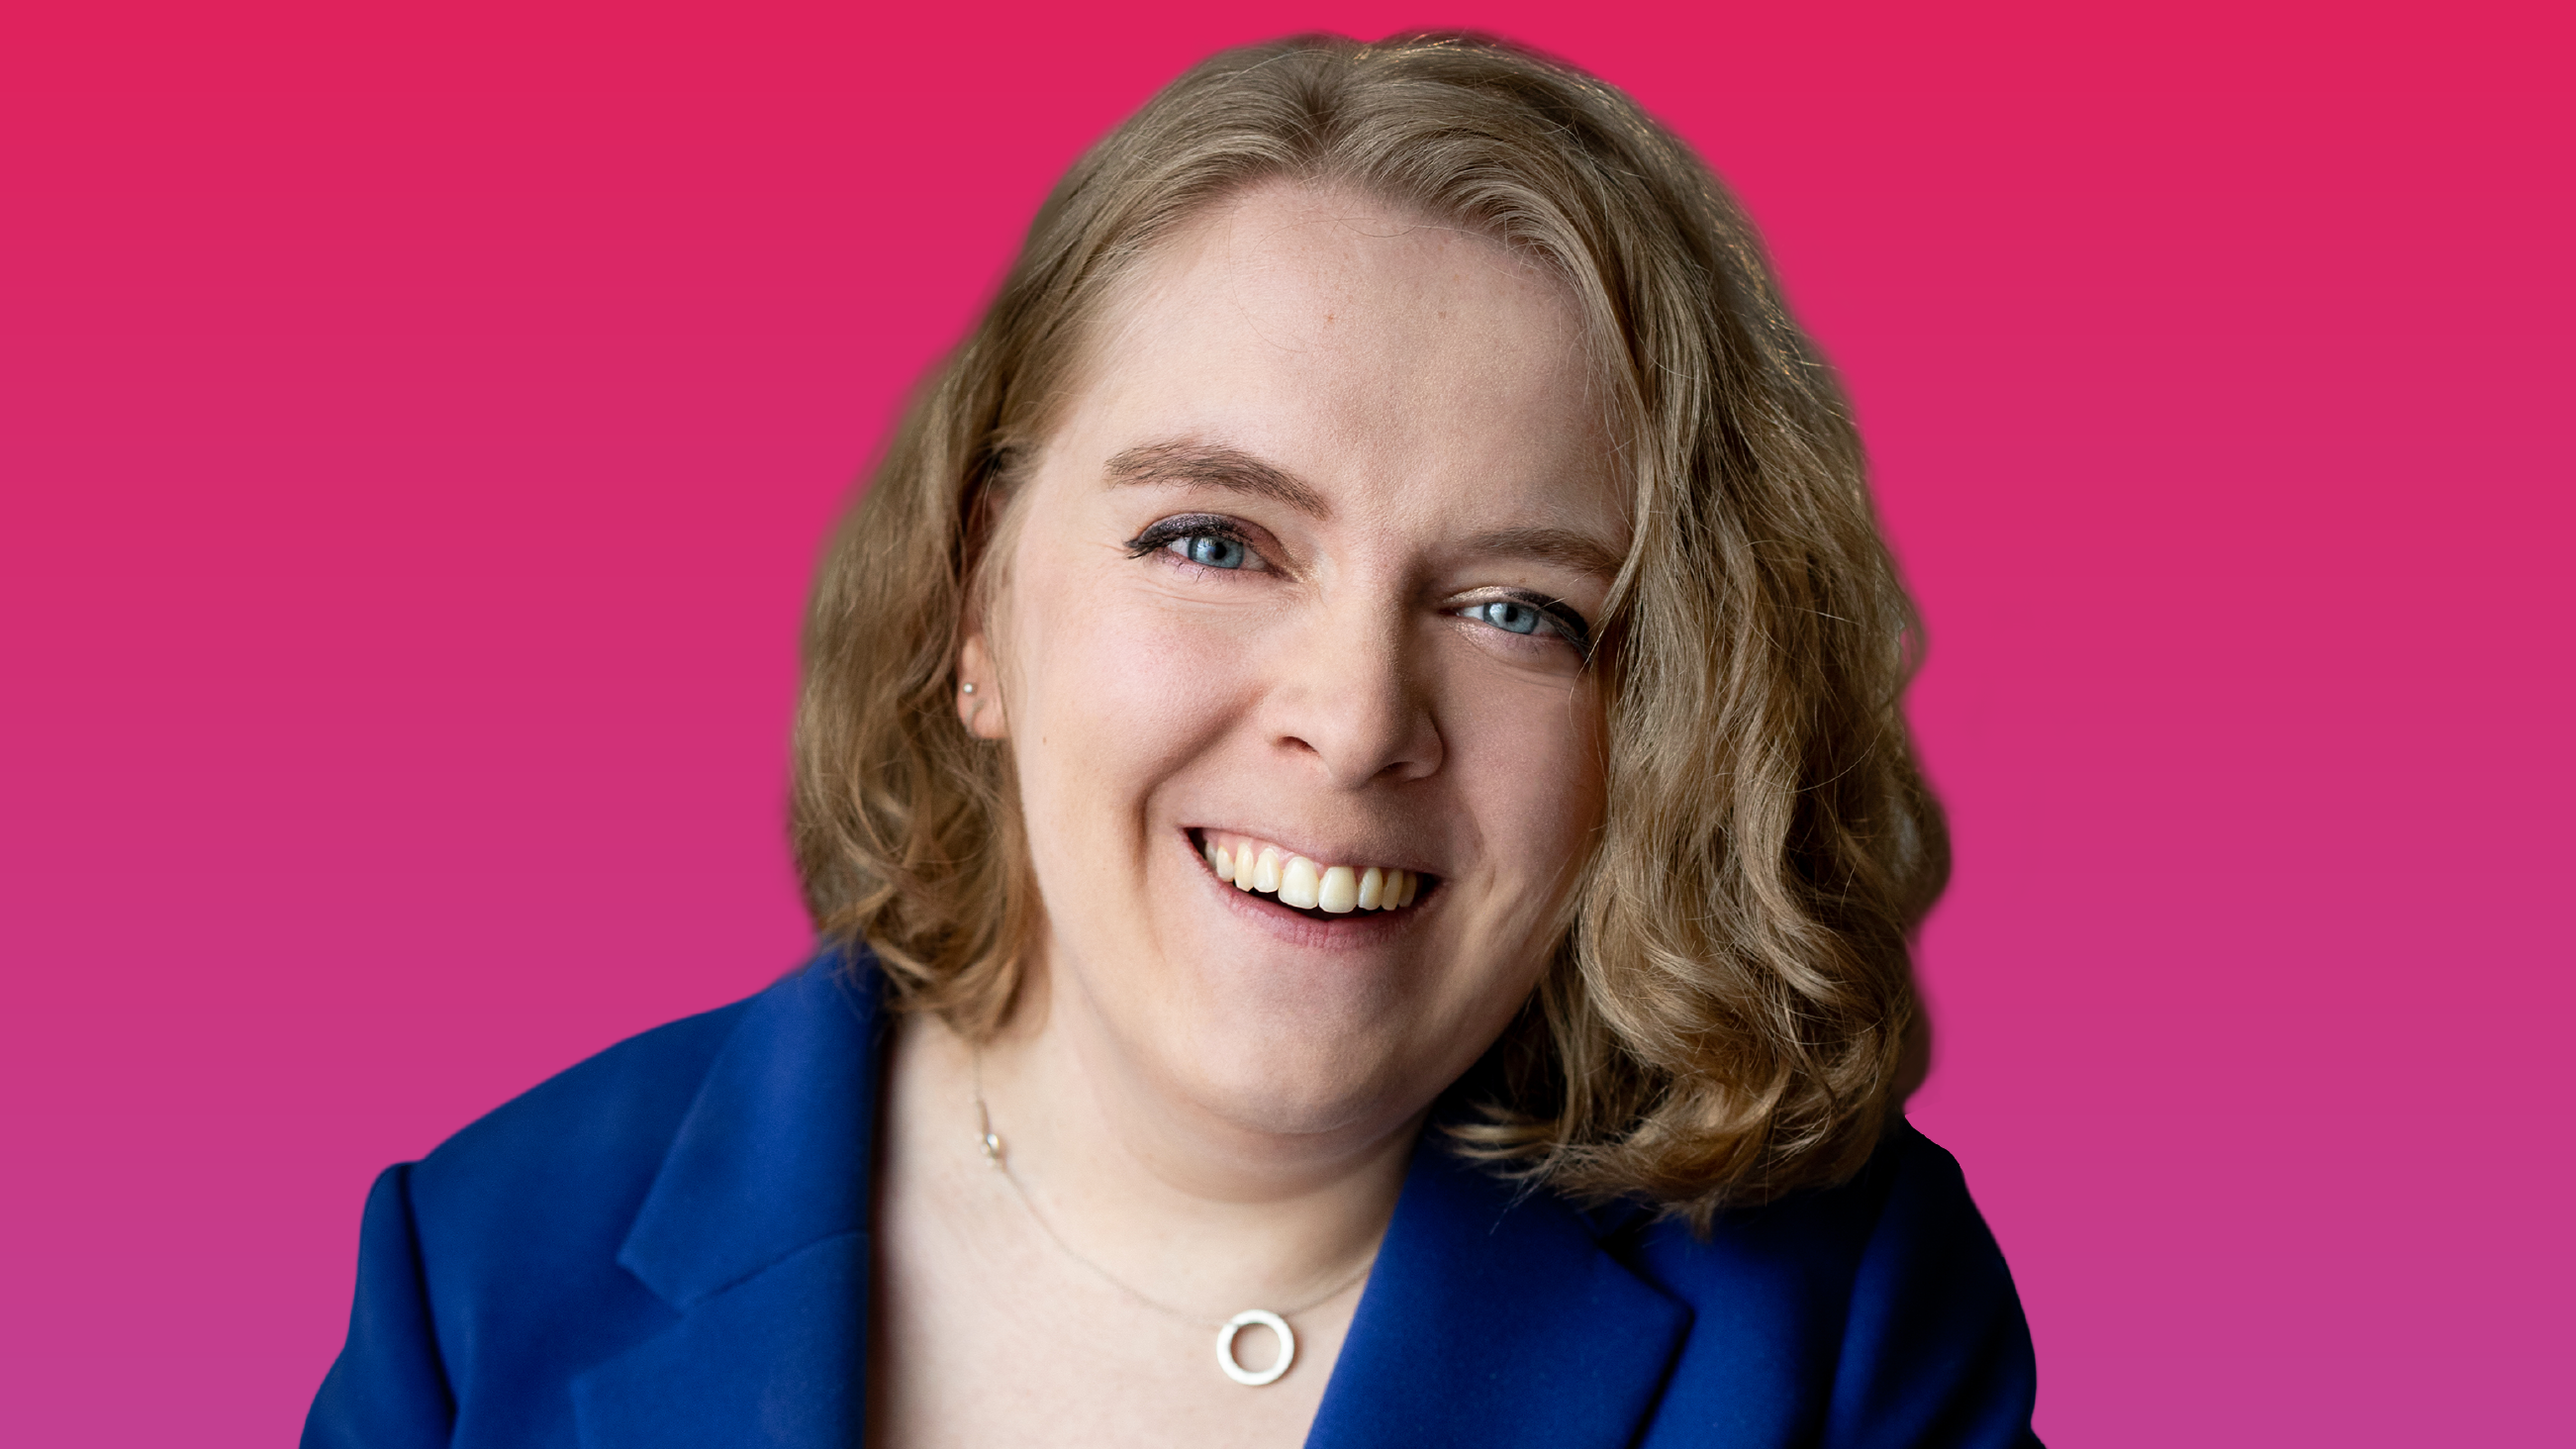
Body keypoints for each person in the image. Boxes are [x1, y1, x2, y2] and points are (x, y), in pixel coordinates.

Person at [305, 32, 2040, 1449]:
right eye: (1213, 540)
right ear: (979, 604)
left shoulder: (1841, 1323)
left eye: (1519, 609)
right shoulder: (486, 1278)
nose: (1353, 723)